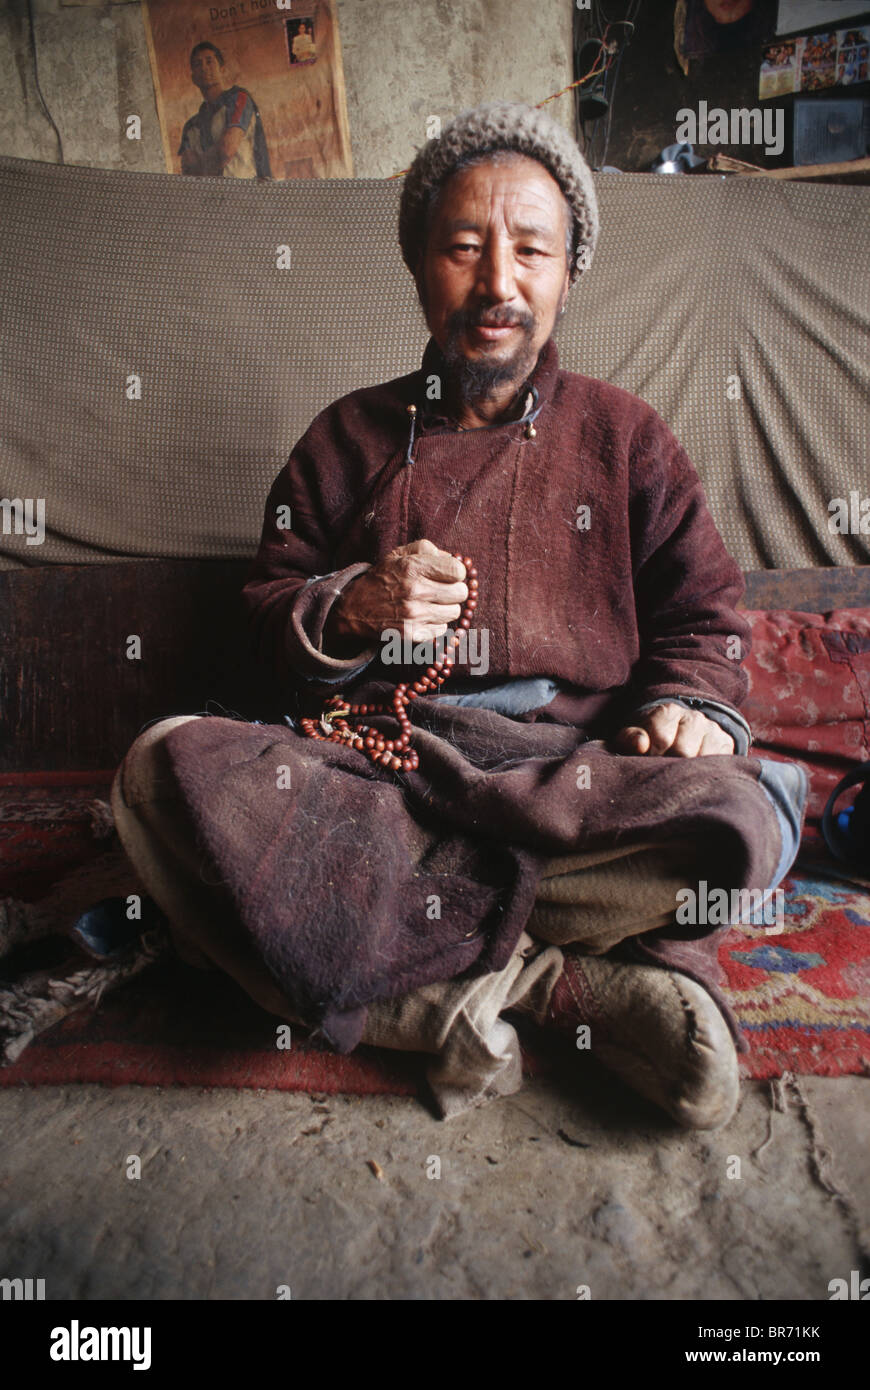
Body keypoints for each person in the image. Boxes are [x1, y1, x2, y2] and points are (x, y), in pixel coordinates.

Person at [111, 102, 806, 1128]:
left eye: (531, 250)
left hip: (579, 778)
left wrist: (692, 706)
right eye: (465, 248)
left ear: (570, 273)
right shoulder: (346, 437)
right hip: (390, 781)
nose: (497, 284)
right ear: (417, 262)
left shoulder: (628, 438)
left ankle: (423, 966)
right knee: (159, 772)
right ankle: (539, 989)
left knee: (744, 812)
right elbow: (262, 623)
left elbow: (703, 614)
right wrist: (346, 609)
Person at [178, 42, 272, 180]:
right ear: (193, 78)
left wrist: (201, 166)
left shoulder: (239, 99)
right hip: (210, 199)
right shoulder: (191, 127)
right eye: (198, 64)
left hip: (247, 194)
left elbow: (226, 150)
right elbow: (189, 174)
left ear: (222, 69)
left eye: (209, 62)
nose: (204, 68)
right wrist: (213, 158)